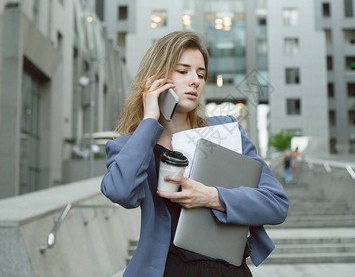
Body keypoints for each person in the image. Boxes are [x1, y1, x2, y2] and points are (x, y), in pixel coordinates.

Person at [100, 31, 289, 277]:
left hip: (226, 271)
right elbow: (120, 192)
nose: (195, 81)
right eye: (182, 71)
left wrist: (212, 197)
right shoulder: (130, 146)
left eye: (201, 74)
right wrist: (149, 121)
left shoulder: (225, 131)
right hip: (168, 270)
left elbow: (276, 203)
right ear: (157, 78)